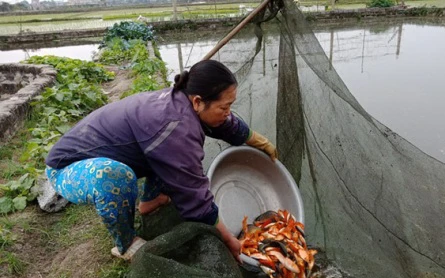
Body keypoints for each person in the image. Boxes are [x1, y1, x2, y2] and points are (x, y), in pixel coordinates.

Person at [45, 59, 277, 261]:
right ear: (197, 101)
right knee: (114, 176)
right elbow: (195, 197)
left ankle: (150, 200)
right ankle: (125, 245)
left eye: (231, 106)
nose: (228, 112)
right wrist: (229, 240)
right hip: (67, 169)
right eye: (224, 106)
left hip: (119, 151)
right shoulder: (175, 127)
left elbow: (222, 121)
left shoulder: (182, 99)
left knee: (163, 154)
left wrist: (258, 141)